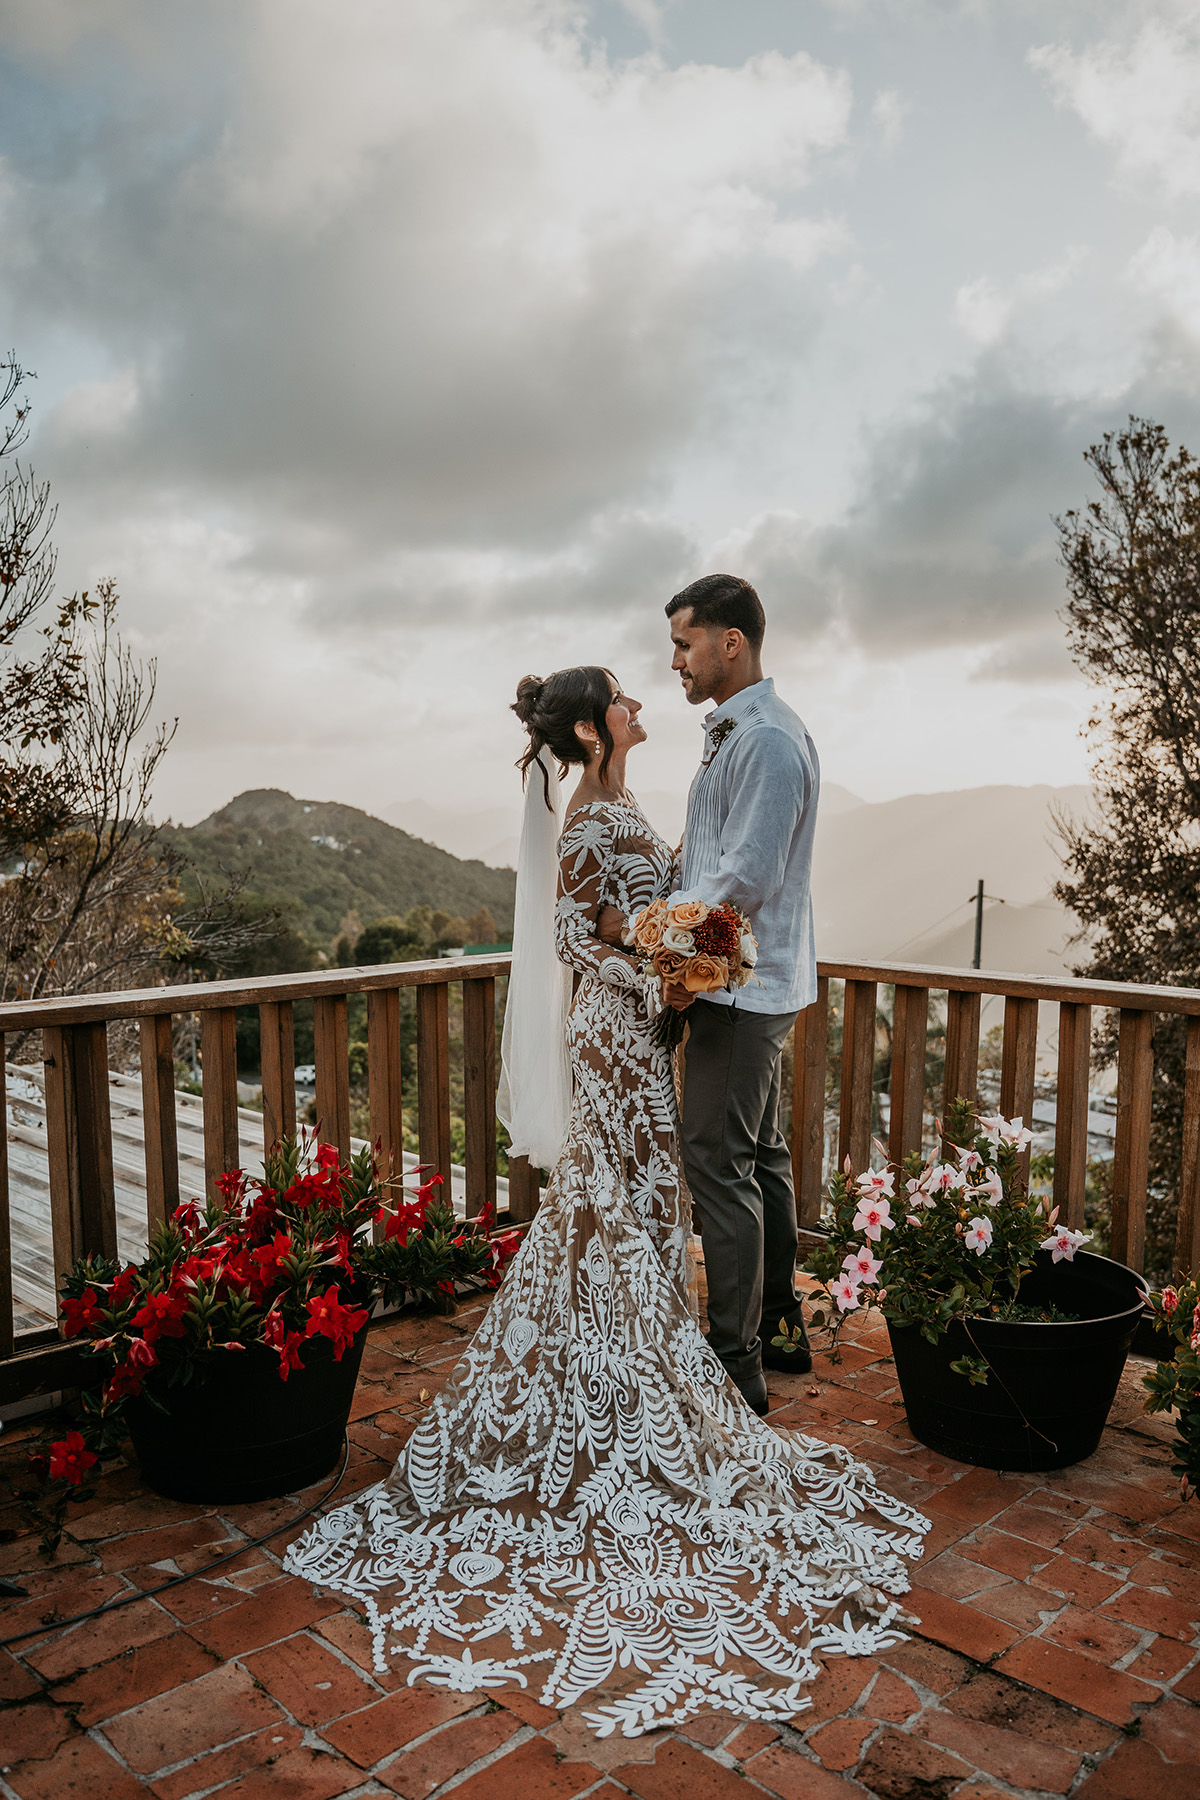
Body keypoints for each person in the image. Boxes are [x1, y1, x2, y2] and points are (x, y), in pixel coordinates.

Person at [286, 662, 927, 1740]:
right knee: (623, 1203)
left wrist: (684, 953)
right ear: (592, 732)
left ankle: (619, 1358)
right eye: (622, 700)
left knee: (633, 1209)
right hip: (613, 1040)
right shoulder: (590, 821)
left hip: (640, 1036)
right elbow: (582, 939)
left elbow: (661, 911)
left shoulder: (623, 804)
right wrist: (665, 975)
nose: (639, 706)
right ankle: (608, 1381)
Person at [599, 573, 817, 1416]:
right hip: (759, 981)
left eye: (684, 645)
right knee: (760, 1159)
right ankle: (780, 1328)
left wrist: (656, 939)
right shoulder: (744, 731)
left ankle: (733, 1366)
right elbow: (714, 854)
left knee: (714, 1165)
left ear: (733, 643)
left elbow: (745, 878)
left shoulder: (763, 740)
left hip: (735, 989)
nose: (676, 664)